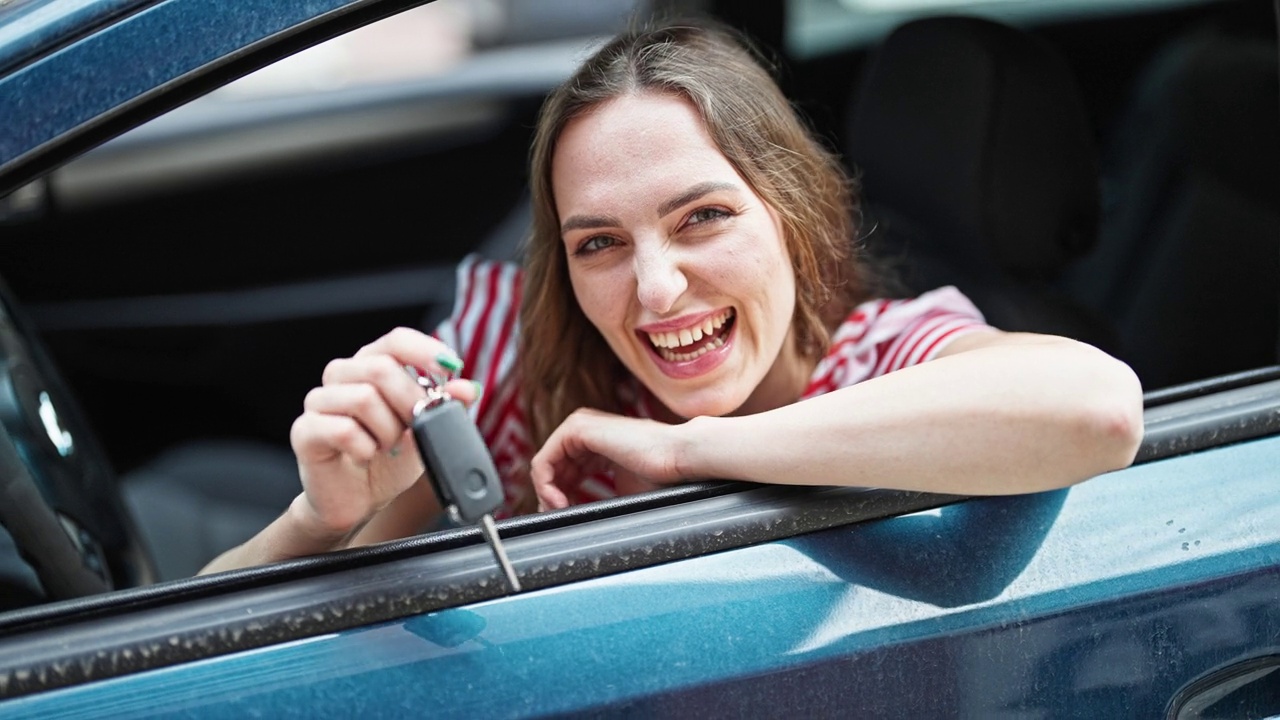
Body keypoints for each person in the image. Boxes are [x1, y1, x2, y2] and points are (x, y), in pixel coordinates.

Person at [200, 17, 1144, 575]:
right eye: (600, 243)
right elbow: (227, 656)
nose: (655, 289)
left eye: (701, 218)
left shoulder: (877, 356)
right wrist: (320, 520)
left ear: (791, 212)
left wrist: (686, 449)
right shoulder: (510, 357)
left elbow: (1096, 409)